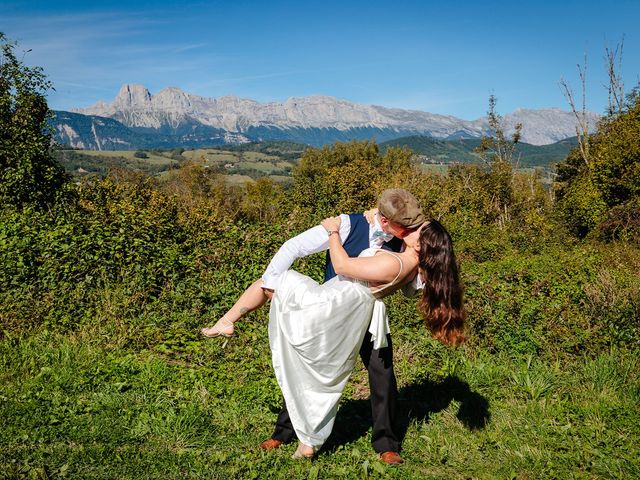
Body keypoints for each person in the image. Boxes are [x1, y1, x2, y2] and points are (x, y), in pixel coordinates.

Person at [201, 190, 465, 460]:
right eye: (407, 226)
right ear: (386, 221)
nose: (412, 230)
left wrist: (422, 270)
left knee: (383, 375)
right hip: (334, 311)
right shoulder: (349, 223)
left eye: (414, 227)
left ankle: (386, 444)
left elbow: (408, 286)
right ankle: (284, 431)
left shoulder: (408, 242)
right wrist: (272, 278)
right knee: (305, 368)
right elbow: (294, 247)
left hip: (370, 316)